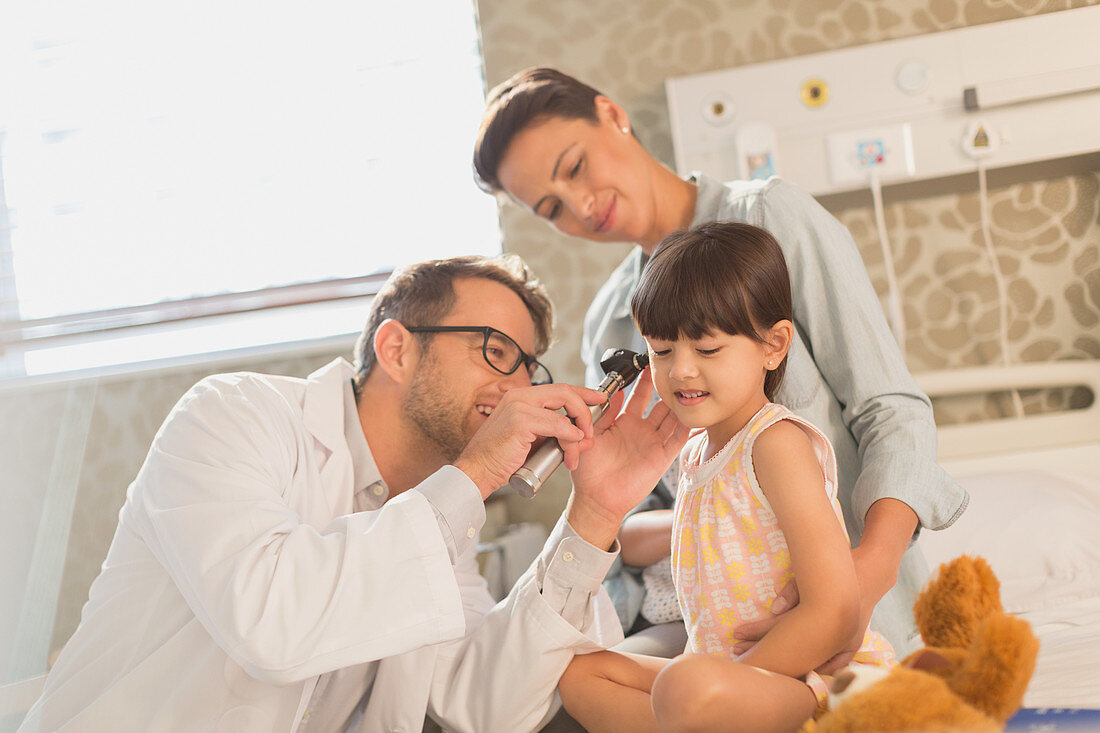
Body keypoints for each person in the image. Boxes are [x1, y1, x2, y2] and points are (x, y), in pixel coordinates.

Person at [19, 254, 690, 733]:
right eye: (493, 350)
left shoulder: (440, 528)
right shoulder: (231, 417)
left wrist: (594, 512)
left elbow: (489, 707)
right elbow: (273, 624)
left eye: (526, 365)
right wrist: (479, 471)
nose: (515, 385)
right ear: (396, 348)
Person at [473, 67, 967, 666]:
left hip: (839, 600)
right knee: (571, 687)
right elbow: (630, 526)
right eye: (551, 207)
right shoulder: (612, 326)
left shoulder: (771, 221)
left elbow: (889, 410)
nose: (579, 205)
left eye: (575, 167)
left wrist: (862, 580)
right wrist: (713, 505)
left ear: (612, 115)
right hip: (698, 618)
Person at [559, 222, 895, 733]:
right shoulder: (694, 453)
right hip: (718, 679)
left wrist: (731, 679)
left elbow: (835, 609)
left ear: (774, 346)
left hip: (811, 684)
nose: (681, 372)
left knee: (685, 688)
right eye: (663, 350)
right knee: (581, 673)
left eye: (707, 350)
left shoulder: (776, 444)